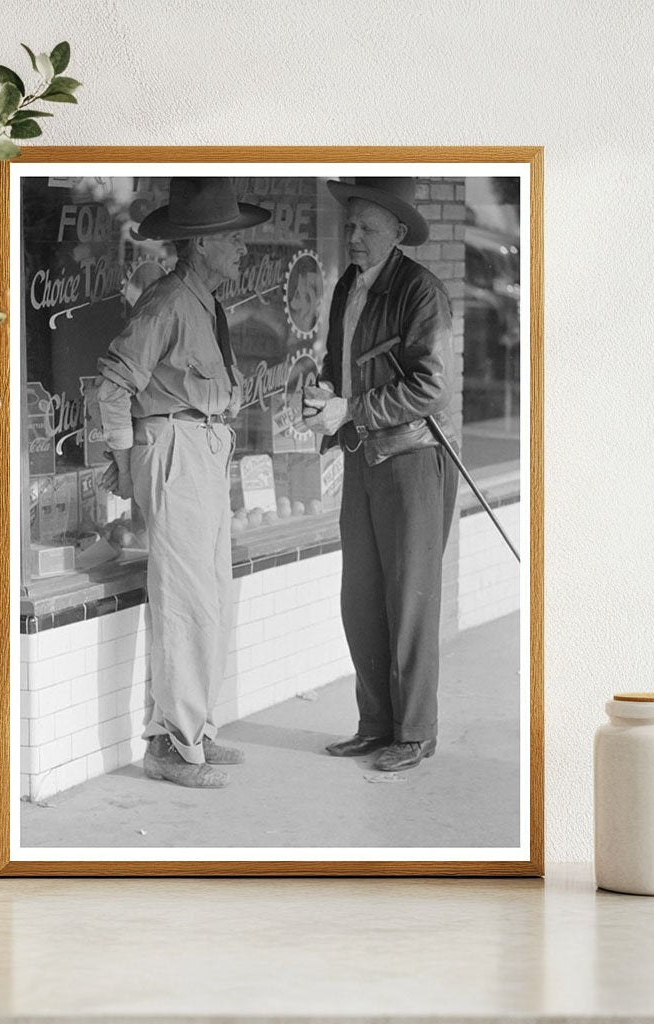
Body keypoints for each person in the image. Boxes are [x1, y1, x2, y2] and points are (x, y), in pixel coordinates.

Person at [96, 178, 270, 789]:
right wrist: (123, 462)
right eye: (233, 241)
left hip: (202, 448)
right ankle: (173, 745)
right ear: (201, 243)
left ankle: (194, 731)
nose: (243, 250)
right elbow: (114, 384)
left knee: (210, 597)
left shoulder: (205, 304)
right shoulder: (169, 302)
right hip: (174, 448)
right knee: (188, 600)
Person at [304, 178, 458, 772]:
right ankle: (375, 725)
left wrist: (354, 410)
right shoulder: (348, 285)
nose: (355, 237)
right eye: (350, 226)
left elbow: (431, 385)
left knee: (410, 602)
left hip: (413, 462)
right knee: (360, 598)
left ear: (398, 232)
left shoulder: (422, 292)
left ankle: (415, 732)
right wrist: (324, 398)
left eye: (368, 228)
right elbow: (338, 363)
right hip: (361, 457)